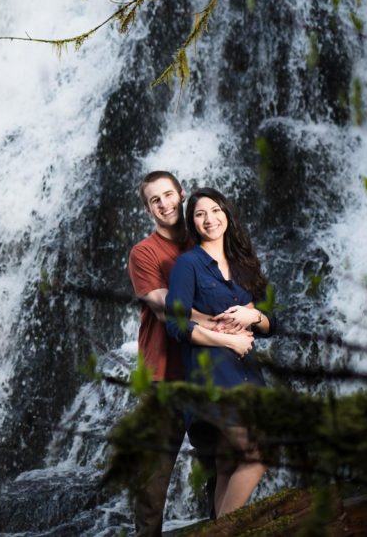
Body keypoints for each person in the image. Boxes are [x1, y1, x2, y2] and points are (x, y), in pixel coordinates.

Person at [127, 172, 242, 536]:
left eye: (168, 195)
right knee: (153, 477)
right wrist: (223, 321)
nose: (164, 204)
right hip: (165, 376)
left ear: (181, 194)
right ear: (147, 208)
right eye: (154, 200)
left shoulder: (205, 238)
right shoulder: (143, 253)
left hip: (209, 373)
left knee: (221, 465)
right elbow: (168, 309)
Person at [165, 187, 273, 518]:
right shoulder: (189, 264)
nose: (209, 219)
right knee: (256, 454)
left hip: (247, 375)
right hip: (210, 377)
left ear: (226, 213)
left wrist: (251, 316)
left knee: (229, 463)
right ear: (193, 223)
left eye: (215, 210)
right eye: (200, 214)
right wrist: (228, 340)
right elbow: (175, 323)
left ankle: (218, 528)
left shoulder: (244, 264)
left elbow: (273, 322)